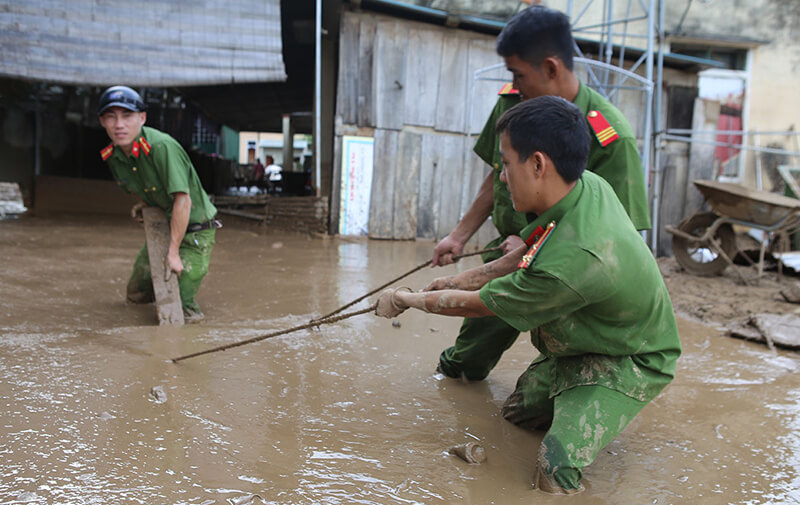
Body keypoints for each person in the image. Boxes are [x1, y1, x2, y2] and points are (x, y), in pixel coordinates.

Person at [375, 96, 681, 494]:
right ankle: (575, 397)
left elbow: (482, 305)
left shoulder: (572, 262)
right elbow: (525, 255)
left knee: (554, 467)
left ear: (538, 164)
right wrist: (456, 280)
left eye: (505, 163)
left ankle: (600, 408)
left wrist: (405, 298)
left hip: (630, 357)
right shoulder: (585, 187)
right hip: (581, 343)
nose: (501, 177)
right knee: (515, 416)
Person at [433, 5, 651, 381]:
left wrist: (534, 246)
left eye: (519, 74)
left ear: (551, 68)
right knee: (464, 363)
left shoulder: (610, 137)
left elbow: (618, 238)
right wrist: (459, 236)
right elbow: (496, 175)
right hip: (507, 250)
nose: (514, 85)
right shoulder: (514, 103)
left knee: (548, 382)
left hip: (568, 269)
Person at [97, 85, 221, 323]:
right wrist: (143, 204)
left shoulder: (161, 147)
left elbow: (182, 200)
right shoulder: (113, 156)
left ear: (142, 118)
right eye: (111, 117)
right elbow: (145, 187)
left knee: (180, 303)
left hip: (194, 233)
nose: (119, 124)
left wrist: (173, 252)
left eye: (127, 116)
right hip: (163, 226)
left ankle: (185, 338)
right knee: (137, 292)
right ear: (102, 121)